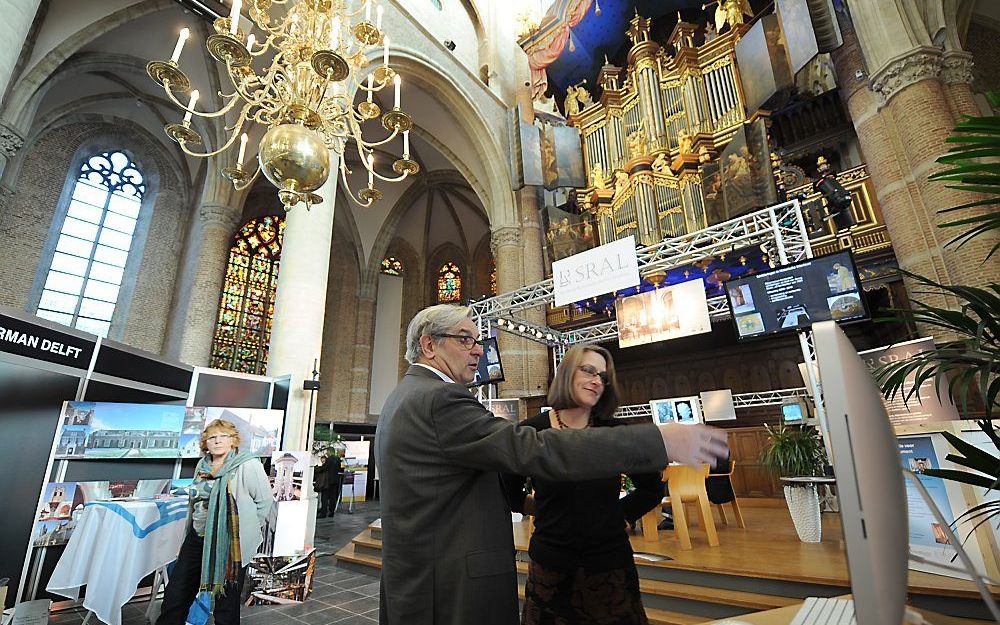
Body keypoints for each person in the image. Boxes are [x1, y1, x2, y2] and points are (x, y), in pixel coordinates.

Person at [375, 304, 728, 625]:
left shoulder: (408, 396)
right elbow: (534, 450)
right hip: (453, 580)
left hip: (600, 564)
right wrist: (660, 439)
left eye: (478, 339)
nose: (479, 349)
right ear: (429, 345)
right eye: (466, 339)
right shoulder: (439, 399)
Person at [503, 344, 665, 625]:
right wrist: (540, 508)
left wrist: (621, 514)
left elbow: (652, 488)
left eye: (603, 377)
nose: (596, 381)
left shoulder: (616, 433)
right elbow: (508, 491)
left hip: (609, 567)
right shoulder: (531, 431)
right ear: (566, 373)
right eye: (588, 370)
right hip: (551, 569)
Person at [156, 419, 273, 625]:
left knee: (226, 606)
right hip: (198, 537)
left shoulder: (247, 464)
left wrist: (246, 531)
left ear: (233, 441)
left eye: (223, 436)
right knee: (176, 596)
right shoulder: (203, 465)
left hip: (229, 544)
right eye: (212, 437)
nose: (218, 441)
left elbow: (264, 502)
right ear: (205, 443)